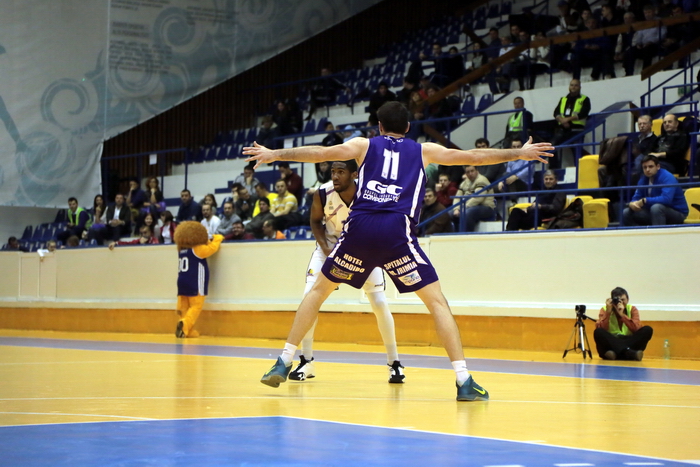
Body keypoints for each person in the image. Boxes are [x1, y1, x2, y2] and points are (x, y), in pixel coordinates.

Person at [243, 101, 553, 401]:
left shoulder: (364, 145)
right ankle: (463, 380)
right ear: (408, 126)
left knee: (317, 292)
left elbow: (321, 153)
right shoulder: (423, 150)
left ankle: (284, 360)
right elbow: (473, 156)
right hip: (396, 233)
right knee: (437, 303)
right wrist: (519, 153)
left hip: (360, 229)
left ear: (379, 126)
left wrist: (275, 154)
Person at [289, 159, 405, 383]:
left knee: (379, 302)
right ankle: (306, 360)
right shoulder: (323, 193)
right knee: (308, 298)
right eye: (333, 171)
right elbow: (315, 222)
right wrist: (327, 250)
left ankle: (395, 363)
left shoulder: (371, 194)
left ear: (354, 174)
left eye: (341, 172)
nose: (335, 176)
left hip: (363, 248)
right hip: (330, 247)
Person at [174, 222, 223, 338]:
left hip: (181, 282)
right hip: (195, 282)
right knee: (196, 306)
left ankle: (186, 331)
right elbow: (212, 248)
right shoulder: (198, 249)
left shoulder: (181, 251)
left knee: (184, 307)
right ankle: (185, 324)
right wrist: (218, 238)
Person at [622, 155, 688, 226]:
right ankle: (637, 233)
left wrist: (646, 200)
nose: (647, 170)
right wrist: (632, 204)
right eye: (645, 167)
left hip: (677, 213)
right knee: (626, 212)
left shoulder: (667, 177)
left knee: (656, 208)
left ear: (658, 167)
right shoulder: (643, 179)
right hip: (653, 211)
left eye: (651, 166)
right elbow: (636, 197)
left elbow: (666, 199)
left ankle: (658, 233)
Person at [594, 287, 653, 360]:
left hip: (629, 341)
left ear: (628, 300)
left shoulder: (632, 309)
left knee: (647, 329)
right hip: (612, 340)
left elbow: (636, 328)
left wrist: (622, 315)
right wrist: (608, 313)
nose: (620, 302)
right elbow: (602, 328)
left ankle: (618, 353)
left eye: (623, 300)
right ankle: (629, 353)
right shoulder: (605, 309)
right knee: (598, 331)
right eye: (618, 300)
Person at [551, 79, 591, 168]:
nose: (573, 87)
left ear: (580, 87)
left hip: (577, 130)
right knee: (552, 146)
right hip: (563, 128)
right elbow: (556, 113)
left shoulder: (584, 99)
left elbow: (584, 113)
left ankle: (579, 170)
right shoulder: (563, 99)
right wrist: (562, 121)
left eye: (576, 85)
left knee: (576, 149)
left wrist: (567, 119)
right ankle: (554, 169)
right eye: (572, 85)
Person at [623, 5, 666, 76]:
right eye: (645, 13)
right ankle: (628, 73)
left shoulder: (659, 21)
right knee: (630, 51)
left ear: (653, 12)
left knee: (648, 49)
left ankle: (645, 72)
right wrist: (638, 43)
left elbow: (662, 34)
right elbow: (639, 35)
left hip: (655, 45)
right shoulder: (644, 23)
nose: (647, 15)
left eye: (649, 12)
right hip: (643, 45)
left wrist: (650, 41)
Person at [453, 165, 496, 232]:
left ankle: (467, 236)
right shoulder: (464, 182)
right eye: (468, 172)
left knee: (467, 213)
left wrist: (463, 207)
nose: (470, 174)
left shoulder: (482, 180)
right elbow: (457, 197)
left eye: (472, 171)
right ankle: (453, 236)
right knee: (448, 214)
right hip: (468, 206)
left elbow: (478, 198)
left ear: (477, 171)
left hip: (486, 207)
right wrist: (456, 209)